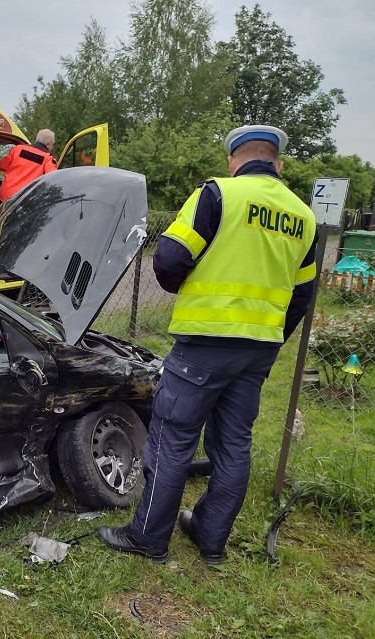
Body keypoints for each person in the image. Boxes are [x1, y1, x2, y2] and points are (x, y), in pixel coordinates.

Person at [97, 125, 318, 565]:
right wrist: (270, 337)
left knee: (172, 438)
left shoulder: (218, 195)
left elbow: (169, 260)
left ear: (233, 160)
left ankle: (148, 538)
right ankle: (211, 539)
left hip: (204, 344)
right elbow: (303, 296)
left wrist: (188, 287)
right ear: (279, 163)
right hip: (257, 351)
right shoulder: (303, 217)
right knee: (234, 444)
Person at [0, 129, 57, 203]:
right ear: (48, 144)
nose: (52, 147)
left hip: (6, 195)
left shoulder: (18, 149)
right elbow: (53, 178)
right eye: (52, 144)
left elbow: (1, 166)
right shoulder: (48, 159)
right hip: (24, 198)